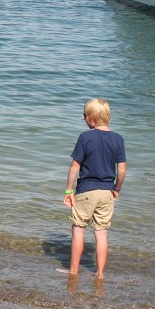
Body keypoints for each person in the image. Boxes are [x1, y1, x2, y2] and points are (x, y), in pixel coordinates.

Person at [62, 98, 126, 280]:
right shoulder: (118, 139)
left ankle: (73, 271)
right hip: (107, 192)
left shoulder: (85, 137)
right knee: (102, 232)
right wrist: (117, 188)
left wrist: (68, 191)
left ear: (91, 118)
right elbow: (121, 169)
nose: (83, 119)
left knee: (78, 229)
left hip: (86, 191)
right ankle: (100, 274)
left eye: (84, 116)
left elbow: (75, 166)